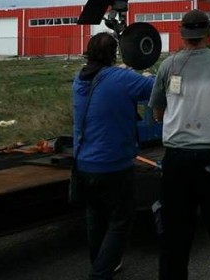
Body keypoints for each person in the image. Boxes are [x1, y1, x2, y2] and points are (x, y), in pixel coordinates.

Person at [149, 9, 210, 280]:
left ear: (181, 32)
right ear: (209, 32)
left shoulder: (168, 66)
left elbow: (157, 112)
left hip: (177, 160)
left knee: (174, 239)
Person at [72, 32, 155, 280]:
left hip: (84, 162)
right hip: (114, 164)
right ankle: (101, 272)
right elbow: (155, 88)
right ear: (113, 54)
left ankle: (100, 262)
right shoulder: (122, 78)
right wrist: (146, 75)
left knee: (95, 217)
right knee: (121, 220)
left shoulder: (80, 78)